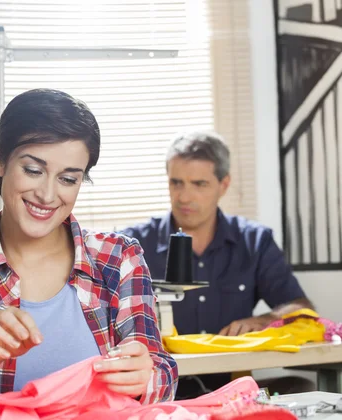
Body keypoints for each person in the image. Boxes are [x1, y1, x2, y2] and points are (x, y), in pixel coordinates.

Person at [0, 89, 178, 400]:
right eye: (33, 170)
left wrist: (145, 376)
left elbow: (161, 370)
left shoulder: (119, 257)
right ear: (1, 161)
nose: (47, 195)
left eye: (68, 179)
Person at [121, 130, 314, 398]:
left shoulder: (254, 242)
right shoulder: (132, 245)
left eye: (199, 184)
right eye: (176, 183)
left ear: (224, 184)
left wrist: (264, 320)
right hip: (161, 391)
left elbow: (302, 308)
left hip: (233, 386)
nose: (184, 197)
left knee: (301, 388)